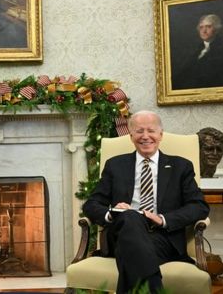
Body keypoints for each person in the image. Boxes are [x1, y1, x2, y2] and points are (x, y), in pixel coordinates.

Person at [83, 111, 209, 294]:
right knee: (130, 217)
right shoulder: (115, 165)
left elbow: (199, 206)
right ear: (131, 136)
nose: (145, 136)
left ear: (160, 135)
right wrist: (112, 212)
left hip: (163, 237)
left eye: (151, 130)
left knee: (133, 255)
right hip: (122, 232)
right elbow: (91, 204)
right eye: (139, 131)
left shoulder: (181, 166)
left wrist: (162, 219)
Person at [172, 14, 223, 90]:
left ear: (217, 29)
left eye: (208, 27)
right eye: (201, 27)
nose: (204, 31)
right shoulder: (194, 51)